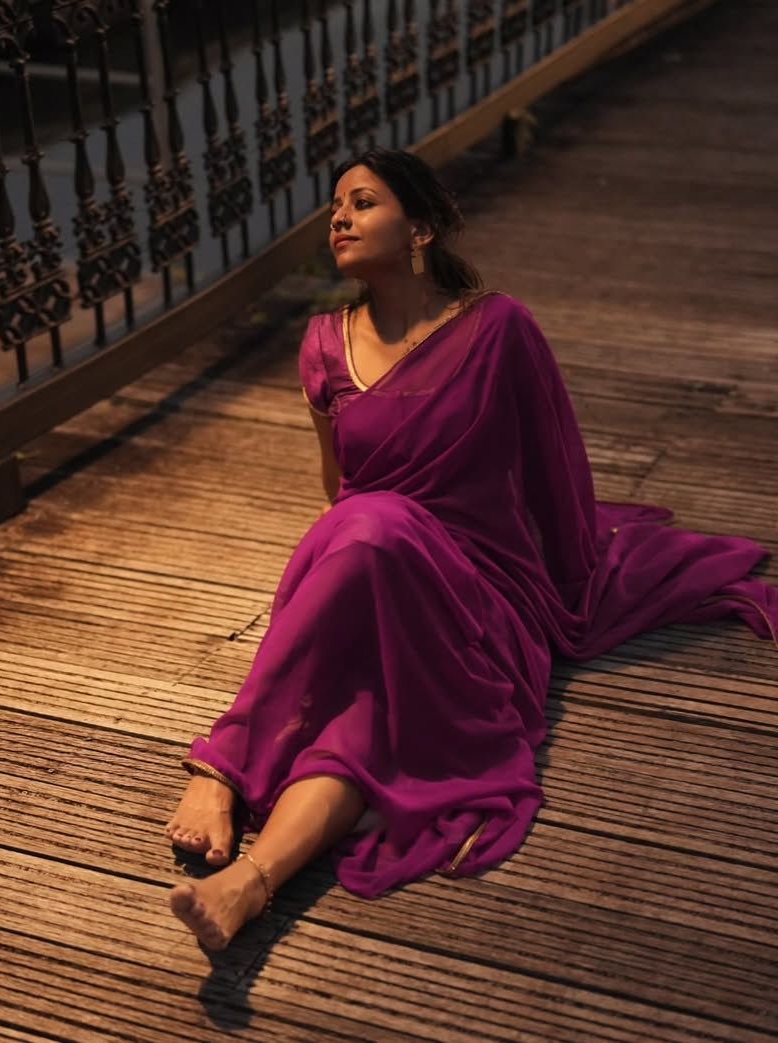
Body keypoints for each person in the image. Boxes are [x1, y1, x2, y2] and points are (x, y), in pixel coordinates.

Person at [164, 147, 778, 952]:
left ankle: (223, 767)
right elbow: (337, 490)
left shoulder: (499, 329)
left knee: (376, 537)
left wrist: (570, 592)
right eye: (335, 206)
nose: (339, 217)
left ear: (419, 229)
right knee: (365, 708)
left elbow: (558, 478)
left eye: (363, 202)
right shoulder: (322, 346)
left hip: (480, 588)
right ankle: (249, 882)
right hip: (369, 568)